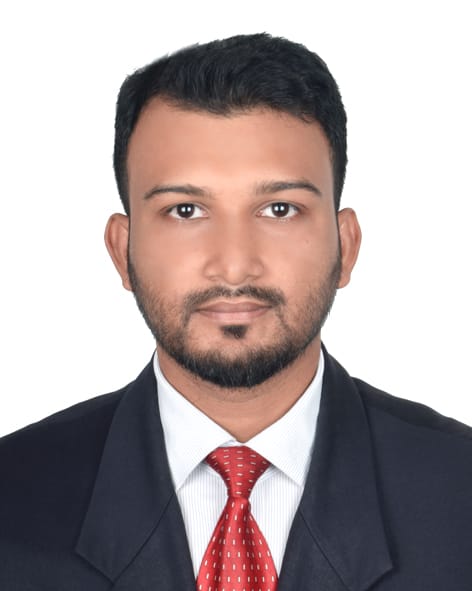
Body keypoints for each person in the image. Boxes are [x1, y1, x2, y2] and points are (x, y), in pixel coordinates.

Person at [0, 32, 471, 590]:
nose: (233, 266)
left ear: (345, 245)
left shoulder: (459, 493)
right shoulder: (14, 494)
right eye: (185, 210)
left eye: (279, 209)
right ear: (121, 251)